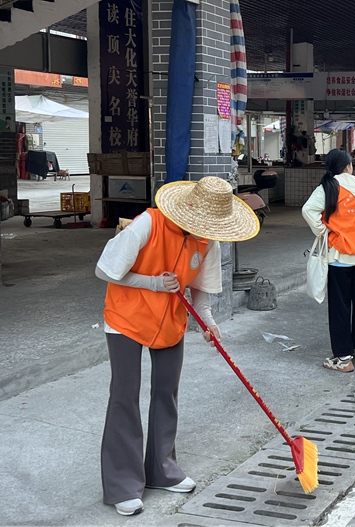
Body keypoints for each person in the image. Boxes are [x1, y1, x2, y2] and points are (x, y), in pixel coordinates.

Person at [96, 176, 260, 516]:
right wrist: (152, 282)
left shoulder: (208, 241)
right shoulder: (148, 224)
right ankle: (122, 484)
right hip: (127, 318)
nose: (207, 229)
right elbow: (106, 269)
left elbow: (200, 290)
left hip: (169, 320)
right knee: (125, 395)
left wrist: (208, 320)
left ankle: (161, 470)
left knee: (166, 391)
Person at [302, 149, 355, 372]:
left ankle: (344, 359)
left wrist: (323, 231)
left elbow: (308, 210)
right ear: (348, 166)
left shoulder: (329, 187)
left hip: (341, 255)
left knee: (340, 307)